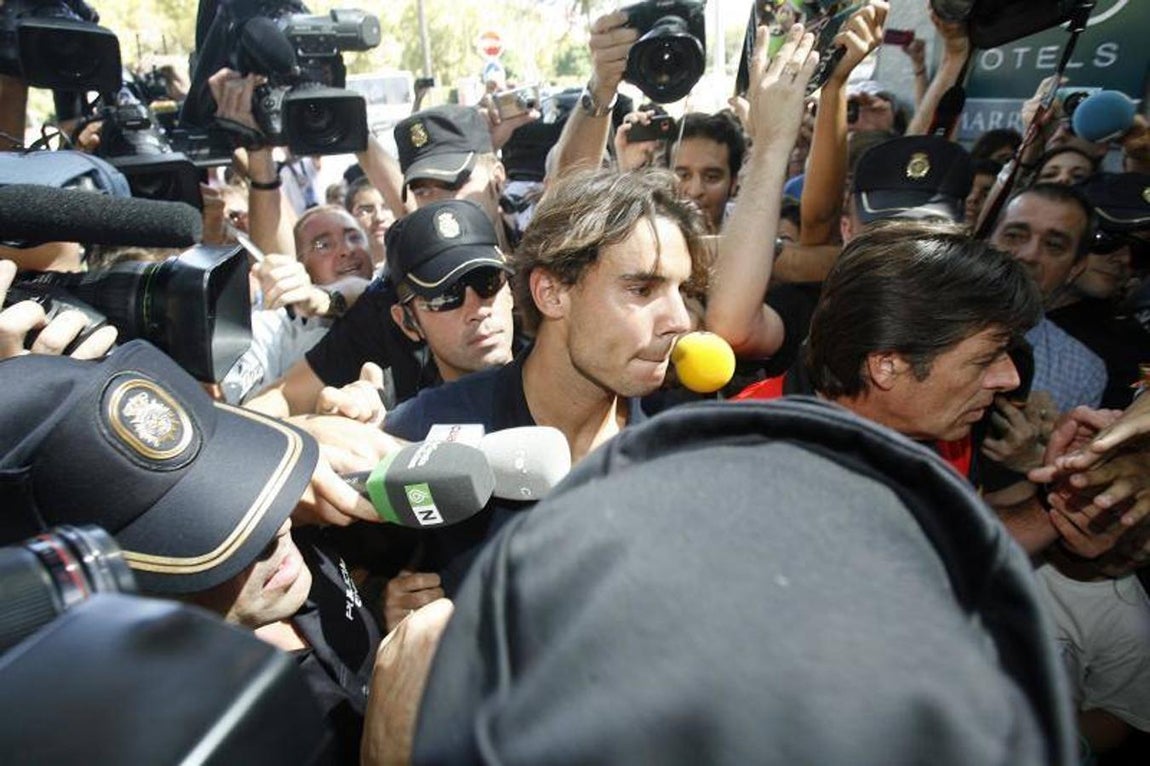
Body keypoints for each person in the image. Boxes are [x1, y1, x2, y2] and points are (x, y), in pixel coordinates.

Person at [0, 340, 386, 763]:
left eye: (227, 475)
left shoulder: (294, 535)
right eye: (202, 529)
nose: (278, 524)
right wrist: (393, 744)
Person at [380, 166, 707, 595]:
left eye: (682, 290)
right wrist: (386, 610)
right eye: (642, 290)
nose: (679, 320)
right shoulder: (426, 429)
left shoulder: (684, 449)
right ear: (551, 294)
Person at [991, 183, 1108, 414]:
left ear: (1075, 268)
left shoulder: (1083, 371)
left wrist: (1037, 451)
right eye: (1014, 236)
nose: (1029, 255)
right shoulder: (921, 318)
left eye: (1054, 245)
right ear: (987, 240)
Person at [667, 111, 746, 232]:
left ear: (734, 182)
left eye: (711, 177)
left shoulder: (751, 230)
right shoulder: (648, 232)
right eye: (683, 176)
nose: (695, 191)